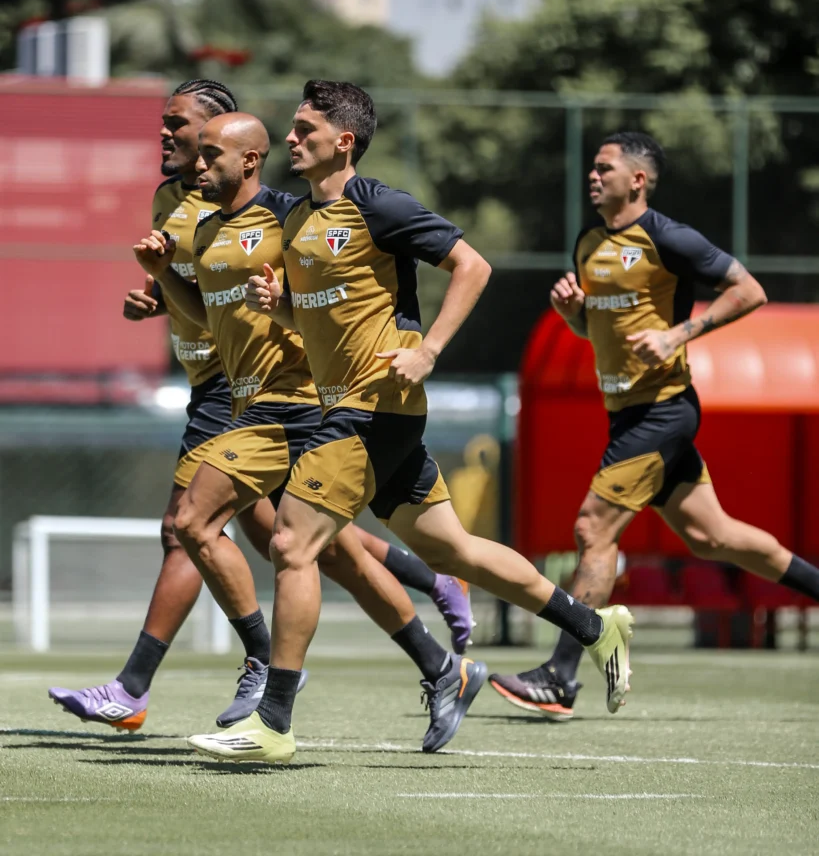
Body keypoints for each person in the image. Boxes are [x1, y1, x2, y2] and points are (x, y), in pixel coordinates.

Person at [187, 80, 635, 766]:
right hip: (358, 409)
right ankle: (594, 627)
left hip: (373, 406)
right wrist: (281, 307)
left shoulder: (379, 204)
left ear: (344, 141)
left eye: (305, 130)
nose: (290, 140)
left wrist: (428, 350)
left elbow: (472, 266)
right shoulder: (300, 219)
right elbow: (326, 318)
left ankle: (272, 722)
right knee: (451, 551)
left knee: (291, 544)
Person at [48, 81, 470, 735]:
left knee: (198, 526)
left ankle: (199, 676)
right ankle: (436, 648)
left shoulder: (285, 214)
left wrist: (411, 343)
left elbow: (338, 285)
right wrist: (161, 285)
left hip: (281, 398)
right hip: (232, 392)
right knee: (311, 547)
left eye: (185, 128)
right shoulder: (182, 208)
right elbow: (208, 304)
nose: (170, 137)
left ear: (232, 142)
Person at [489, 131, 819, 721]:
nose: (593, 177)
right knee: (713, 538)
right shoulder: (589, 242)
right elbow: (596, 330)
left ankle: (560, 677)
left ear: (638, 180)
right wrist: (573, 316)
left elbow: (749, 290)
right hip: (626, 415)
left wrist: (677, 334)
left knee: (592, 528)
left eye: (605, 168)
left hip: (664, 410)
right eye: (593, 168)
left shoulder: (668, 237)